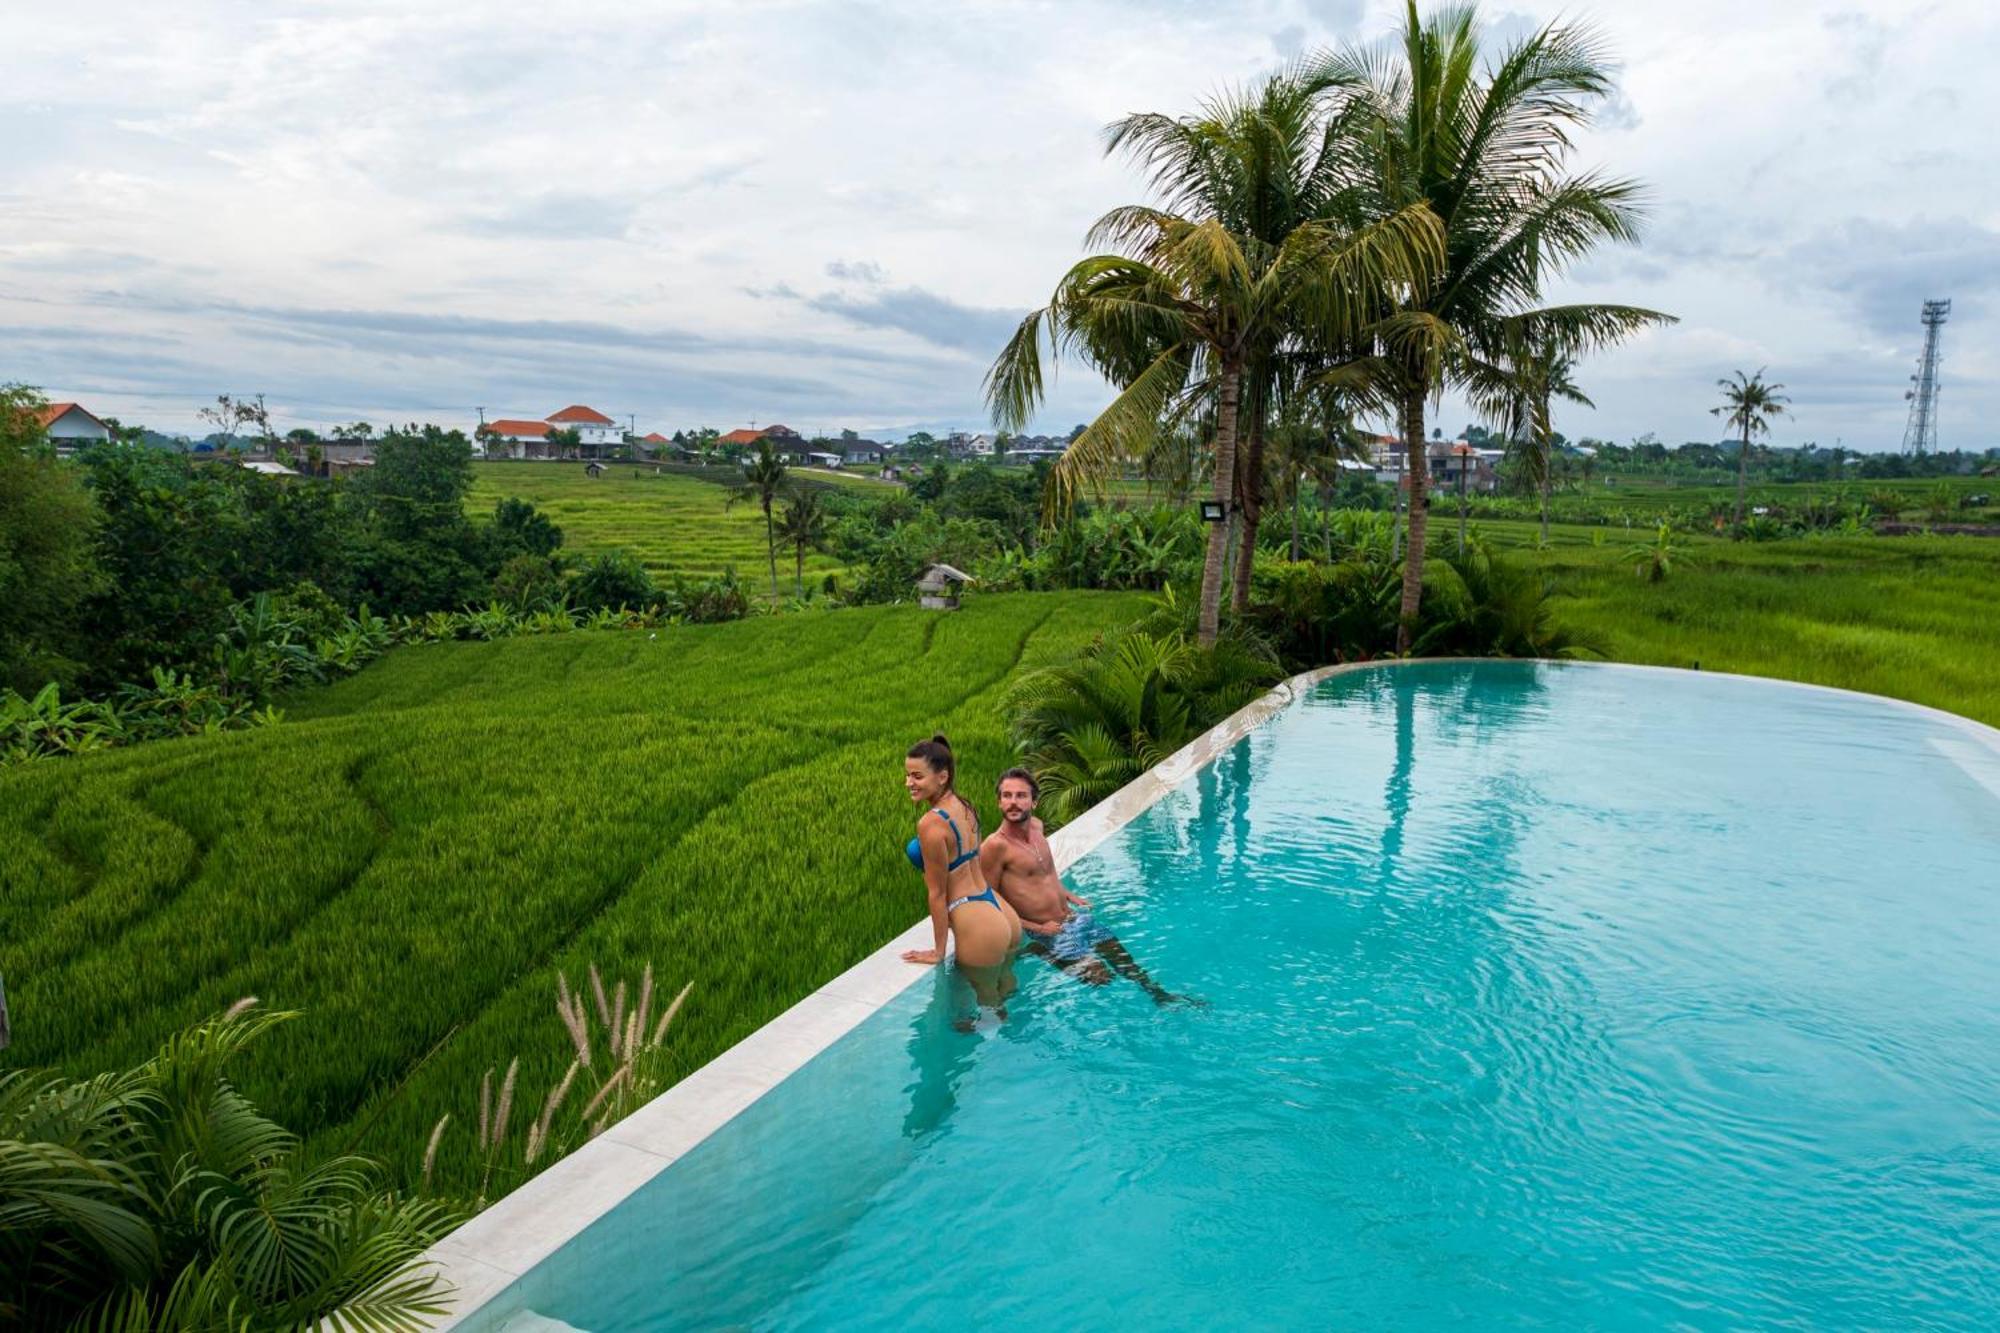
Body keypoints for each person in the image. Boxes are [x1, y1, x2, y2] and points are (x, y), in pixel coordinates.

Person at [980, 768, 1192, 1006]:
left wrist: (1064, 892)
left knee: (1126, 963)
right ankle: (1040, 950)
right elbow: (988, 900)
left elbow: (1044, 872)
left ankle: (1161, 996)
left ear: (1034, 802)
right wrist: (1036, 927)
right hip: (1047, 932)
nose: (1013, 802)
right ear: (999, 802)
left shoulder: (1037, 828)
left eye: (1021, 795)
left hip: (1074, 918)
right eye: (1007, 796)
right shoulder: (995, 846)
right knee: (1101, 978)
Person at [901, 735, 1022, 1012]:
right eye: (908, 775)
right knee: (1005, 1002)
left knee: (970, 1020)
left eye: (917, 776)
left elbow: (937, 893)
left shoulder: (931, 823)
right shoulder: (966, 806)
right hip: (1000, 912)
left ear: (942, 776)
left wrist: (938, 952)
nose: (909, 783)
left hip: (976, 922)